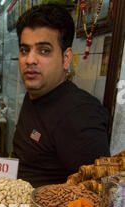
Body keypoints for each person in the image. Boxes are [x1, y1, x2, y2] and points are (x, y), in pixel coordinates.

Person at [12, 3, 110, 188]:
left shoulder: (81, 114)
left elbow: (96, 199)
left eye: (44, 51)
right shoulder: (34, 92)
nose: (30, 60)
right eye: (25, 50)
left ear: (66, 58)